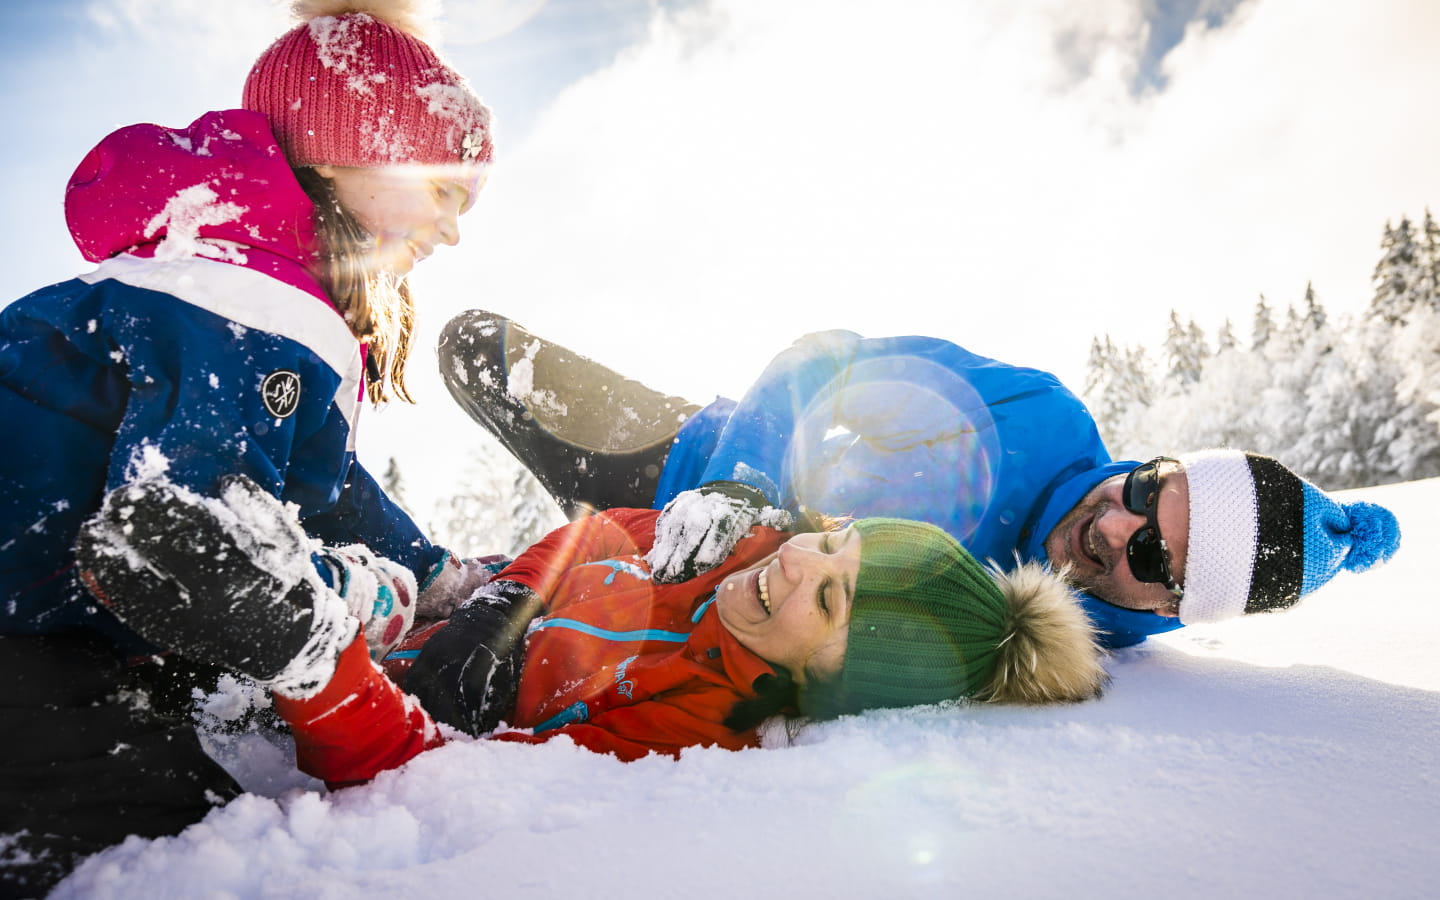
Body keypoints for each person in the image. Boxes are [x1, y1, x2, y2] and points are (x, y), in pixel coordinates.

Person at [0, 2, 497, 891]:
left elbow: (327, 485)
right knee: (131, 827)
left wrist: (433, 573)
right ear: (356, 152)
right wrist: (346, 595)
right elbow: (176, 525)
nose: (455, 227)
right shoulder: (243, 306)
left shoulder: (234, 281)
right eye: (446, 189)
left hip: (42, 597)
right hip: (21, 624)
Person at [74, 474, 1108, 787]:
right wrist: (501, 600)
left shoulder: (690, 727)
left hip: (358, 696)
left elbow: (427, 777)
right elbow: (595, 538)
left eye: (831, 599)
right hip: (451, 610)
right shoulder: (725, 546)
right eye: (831, 540)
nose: (798, 560)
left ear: (837, 680)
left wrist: (311, 659)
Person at [436, 314, 1403, 649]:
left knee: (459, 613)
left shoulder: (1060, 649)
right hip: (680, 456)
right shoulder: (1037, 417)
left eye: (1154, 555)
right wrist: (738, 483)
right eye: (1150, 492)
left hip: (680, 589)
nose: (1117, 526)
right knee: (476, 348)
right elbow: (826, 359)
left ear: (1174, 611)